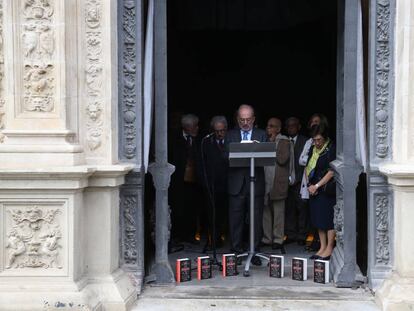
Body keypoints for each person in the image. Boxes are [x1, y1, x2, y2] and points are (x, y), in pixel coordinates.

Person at [226, 105, 267, 266]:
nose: (245, 123)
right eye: (242, 119)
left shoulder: (261, 134)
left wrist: (256, 149)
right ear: (237, 119)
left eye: (248, 119)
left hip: (255, 183)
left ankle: (254, 251)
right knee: (235, 219)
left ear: (253, 119)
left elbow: (268, 156)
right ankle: (236, 251)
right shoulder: (230, 135)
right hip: (236, 184)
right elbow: (224, 156)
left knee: (256, 219)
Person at [168, 114, 203, 245]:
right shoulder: (173, 139)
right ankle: (177, 236)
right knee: (178, 208)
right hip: (178, 181)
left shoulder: (199, 139)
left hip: (195, 181)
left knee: (193, 209)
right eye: (195, 126)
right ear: (187, 127)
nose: (197, 128)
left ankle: (191, 235)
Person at [305, 125, 336, 260]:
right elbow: (307, 167)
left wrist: (317, 185)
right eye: (314, 140)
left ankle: (329, 248)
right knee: (318, 220)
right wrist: (309, 186)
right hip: (314, 189)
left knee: (328, 220)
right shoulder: (313, 149)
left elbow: (331, 171)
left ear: (325, 138)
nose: (317, 143)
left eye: (319, 140)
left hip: (325, 189)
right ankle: (322, 247)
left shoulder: (331, 149)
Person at [262, 118, 291, 252]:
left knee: (279, 212)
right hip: (266, 181)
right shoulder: (264, 140)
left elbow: (282, 159)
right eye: (267, 126)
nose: (269, 128)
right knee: (266, 211)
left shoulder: (284, 141)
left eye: (272, 126)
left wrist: (273, 143)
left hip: (278, 182)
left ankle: (278, 239)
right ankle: (267, 238)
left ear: (278, 129)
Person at [202, 116, 229, 247]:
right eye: (217, 131)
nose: (220, 133)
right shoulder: (206, 142)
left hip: (230, 183)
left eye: (222, 130)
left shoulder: (231, 141)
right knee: (213, 214)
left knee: (229, 213)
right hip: (213, 184)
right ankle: (215, 240)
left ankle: (231, 240)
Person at [284, 117, 308, 245]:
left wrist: (299, 179)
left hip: (300, 180)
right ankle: (291, 234)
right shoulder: (283, 141)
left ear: (299, 126)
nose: (291, 127)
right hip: (286, 182)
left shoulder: (306, 141)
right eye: (288, 125)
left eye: (293, 125)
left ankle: (302, 236)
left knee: (302, 209)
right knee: (289, 209)